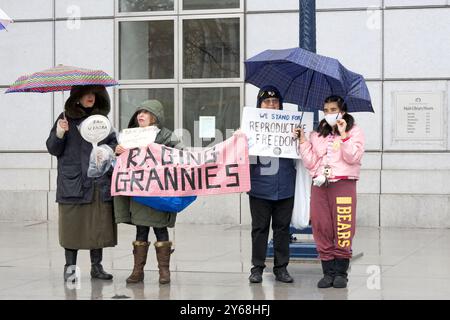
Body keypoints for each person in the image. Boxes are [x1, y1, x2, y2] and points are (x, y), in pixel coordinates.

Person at [46, 85, 118, 282]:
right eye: (86, 94)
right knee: (72, 227)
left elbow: (113, 143)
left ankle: (97, 267)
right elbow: (53, 148)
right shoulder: (65, 119)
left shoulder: (101, 121)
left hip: (97, 182)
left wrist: (108, 150)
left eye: (94, 93)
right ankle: (70, 268)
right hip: (74, 182)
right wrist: (60, 132)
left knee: (98, 225)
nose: (90, 97)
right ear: (76, 98)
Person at [294, 95, 365, 289]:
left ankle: (341, 272)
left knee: (343, 225)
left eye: (333, 110)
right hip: (320, 185)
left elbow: (353, 157)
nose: (329, 114)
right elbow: (311, 162)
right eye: (326, 110)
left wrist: (344, 136)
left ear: (342, 111)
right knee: (321, 225)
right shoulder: (317, 135)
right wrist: (302, 141)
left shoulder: (355, 131)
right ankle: (328, 271)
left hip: (343, 183)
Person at [114, 99, 180, 285]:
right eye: (139, 112)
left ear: (155, 117)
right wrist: (118, 151)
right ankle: (137, 271)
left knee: (161, 230)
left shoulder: (167, 136)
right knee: (140, 231)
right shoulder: (130, 137)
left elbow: (180, 155)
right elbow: (121, 163)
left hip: (158, 193)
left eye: (145, 112)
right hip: (139, 193)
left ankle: (164, 272)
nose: (140, 115)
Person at [248, 85, 296, 284]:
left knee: (282, 230)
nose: (271, 105)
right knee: (259, 229)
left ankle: (281, 268)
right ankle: (257, 268)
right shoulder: (250, 127)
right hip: (259, 187)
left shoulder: (291, 127)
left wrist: (299, 139)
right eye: (267, 102)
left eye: (275, 102)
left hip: (285, 187)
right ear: (260, 105)